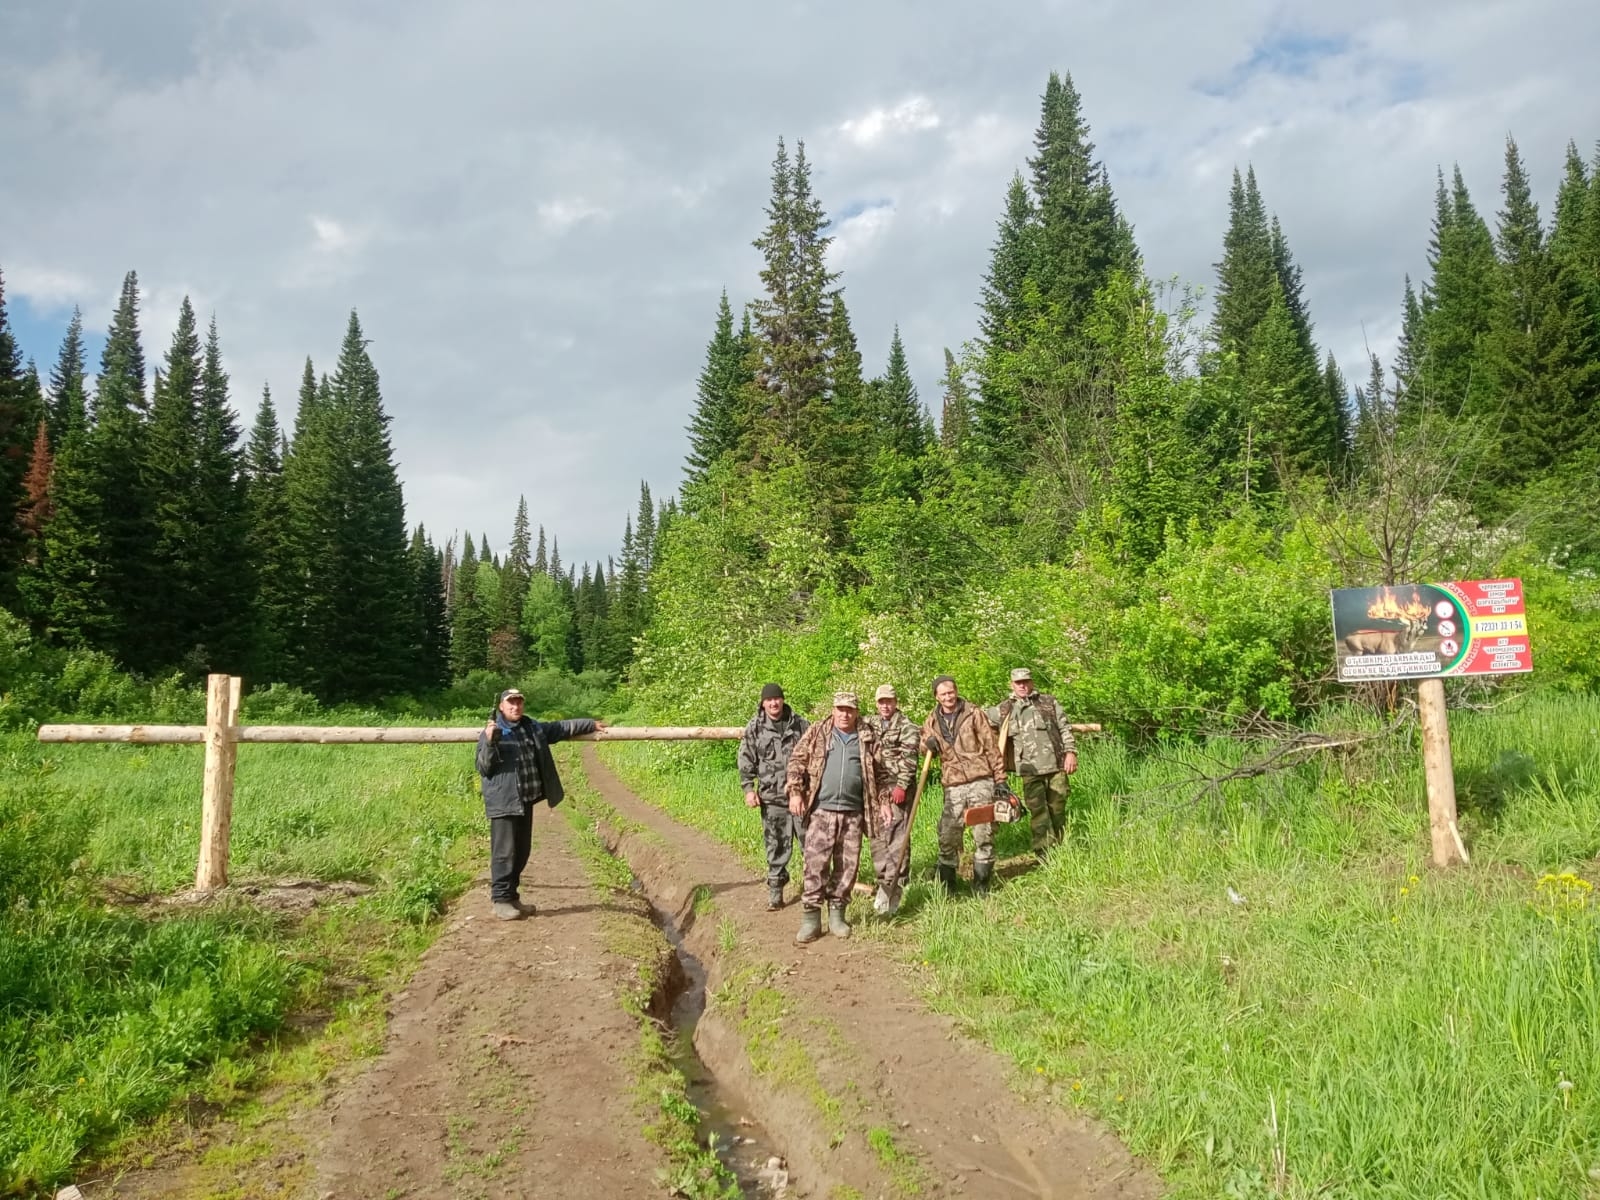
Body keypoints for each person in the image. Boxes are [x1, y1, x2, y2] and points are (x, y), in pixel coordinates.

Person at [476, 686, 606, 920]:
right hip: (504, 801)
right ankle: (501, 900)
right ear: (501, 707)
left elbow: (561, 728)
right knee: (504, 853)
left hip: (525, 799)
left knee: (522, 851)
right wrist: (489, 742)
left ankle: (513, 897)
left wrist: (589, 724)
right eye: (510, 703)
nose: (515, 706)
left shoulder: (532, 727)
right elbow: (484, 767)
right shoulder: (492, 731)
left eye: (519, 702)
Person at [785, 691, 892, 943]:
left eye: (850, 710)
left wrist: (884, 803)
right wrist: (795, 793)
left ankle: (837, 916)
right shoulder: (818, 732)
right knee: (815, 864)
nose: (845, 714)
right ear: (833, 709)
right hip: (821, 811)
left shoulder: (867, 737)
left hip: (854, 813)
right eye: (840, 709)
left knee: (847, 867)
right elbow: (796, 762)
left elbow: (883, 774)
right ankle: (811, 919)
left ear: (856, 712)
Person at [921, 675, 1006, 896]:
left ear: (956, 691)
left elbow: (991, 747)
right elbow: (923, 746)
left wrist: (1000, 779)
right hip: (953, 783)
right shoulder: (931, 720)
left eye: (951, 692)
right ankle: (948, 886)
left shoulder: (973, 713)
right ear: (936, 697)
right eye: (943, 694)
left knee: (984, 833)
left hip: (980, 779)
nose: (948, 697)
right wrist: (926, 744)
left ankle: (981, 885)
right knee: (948, 833)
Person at [986, 667, 1077, 858]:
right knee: (1038, 812)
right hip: (1029, 770)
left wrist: (1070, 753)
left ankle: (1062, 848)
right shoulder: (1004, 709)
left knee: (1058, 810)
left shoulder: (1048, 702)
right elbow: (977, 718)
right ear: (1012, 685)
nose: (1022, 686)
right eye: (1018, 683)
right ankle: (1044, 853)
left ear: (1031, 682)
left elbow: (1065, 728)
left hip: (1055, 766)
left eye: (1025, 681)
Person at [737, 683, 809, 910]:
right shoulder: (755, 727)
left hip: (802, 797)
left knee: (810, 844)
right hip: (772, 798)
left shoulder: (800, 724)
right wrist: (748, 789)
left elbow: (815, 756)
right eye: (769, 700)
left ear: (783, 700)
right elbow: (746, 759)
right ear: (763, 703)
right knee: (776, 846)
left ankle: (814, 890)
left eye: (777, 699)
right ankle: (776, 892)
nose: (774, 703)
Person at [862, 683, 921, 916]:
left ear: (896, 702)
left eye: (889, 701)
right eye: (881, 702)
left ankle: (895, 886)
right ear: (876, 704)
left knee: (897, 836)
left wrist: (902, 785)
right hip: (876, 790)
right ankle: (882, 883)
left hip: (898, 789)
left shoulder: (907, 726)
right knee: (877, 836)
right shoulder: (870, 723)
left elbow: (910, 758)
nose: (885, 706)